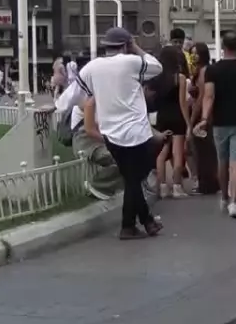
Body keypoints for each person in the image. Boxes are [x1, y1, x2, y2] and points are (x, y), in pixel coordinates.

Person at [66, 27, 164, 240]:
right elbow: (157, 67)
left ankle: (137, 224)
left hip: (111, 135)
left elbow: (72, 94)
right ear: (125, 45)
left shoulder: (92, 67)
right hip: (136, 133)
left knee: (131, 178)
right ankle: (135, 225)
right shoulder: (130, 62)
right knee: (133, 179)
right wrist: (136, 47)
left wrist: (55, 107)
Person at [195, 31, 236, 218]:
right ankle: (234, 203)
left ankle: (224, 197)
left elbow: (208, 96)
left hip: (219, 122)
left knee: (222, 161)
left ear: (222, 47)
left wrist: (204, 119)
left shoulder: (213, 70)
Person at [55, 80, 120, 200]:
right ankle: (98, 185)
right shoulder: (90, 101)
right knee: (121, 158)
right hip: (85, 140)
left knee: (129, 157)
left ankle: (105, 186)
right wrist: (110, 141)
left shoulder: (105, 100)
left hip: (95, 139)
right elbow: (90, 129)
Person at [149, 45, 191, 199]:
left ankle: (162, 187)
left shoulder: (155, 78)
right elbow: (182, 103)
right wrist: (188, 124)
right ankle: (177, 187)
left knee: (162, 153)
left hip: (162, 117)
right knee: (177, 153)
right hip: (177, 117)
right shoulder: (179, 78)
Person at [186, 42, 220, 195]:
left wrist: (192, 120)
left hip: (202, 117)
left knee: (203, 151)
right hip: (202, 115)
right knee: (203, 151)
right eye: (191, 53)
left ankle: (207, 184)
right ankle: (209, 182)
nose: (193, 56)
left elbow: (201, 98)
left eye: (196, 53)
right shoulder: (198, 71)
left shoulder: (204, 71)